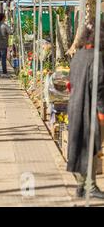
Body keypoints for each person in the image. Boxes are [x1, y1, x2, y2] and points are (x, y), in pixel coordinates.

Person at [67, 23, 104, 199]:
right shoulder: (96, 58)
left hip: (75, 105)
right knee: (91, 147)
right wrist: (101, 112)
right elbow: (99, 87)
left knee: (79, 146)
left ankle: (81, 185)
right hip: (89, 108)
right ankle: (90, 186)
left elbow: (71, 82)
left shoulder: (78, 56)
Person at [0, 13, 13, 77]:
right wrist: (13, 26)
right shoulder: (4, 25)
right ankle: (4, 72)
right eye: (5, 17)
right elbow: (11, 32)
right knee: (3, 58)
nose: (5, 18)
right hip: (3, 44)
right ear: (3, 18)